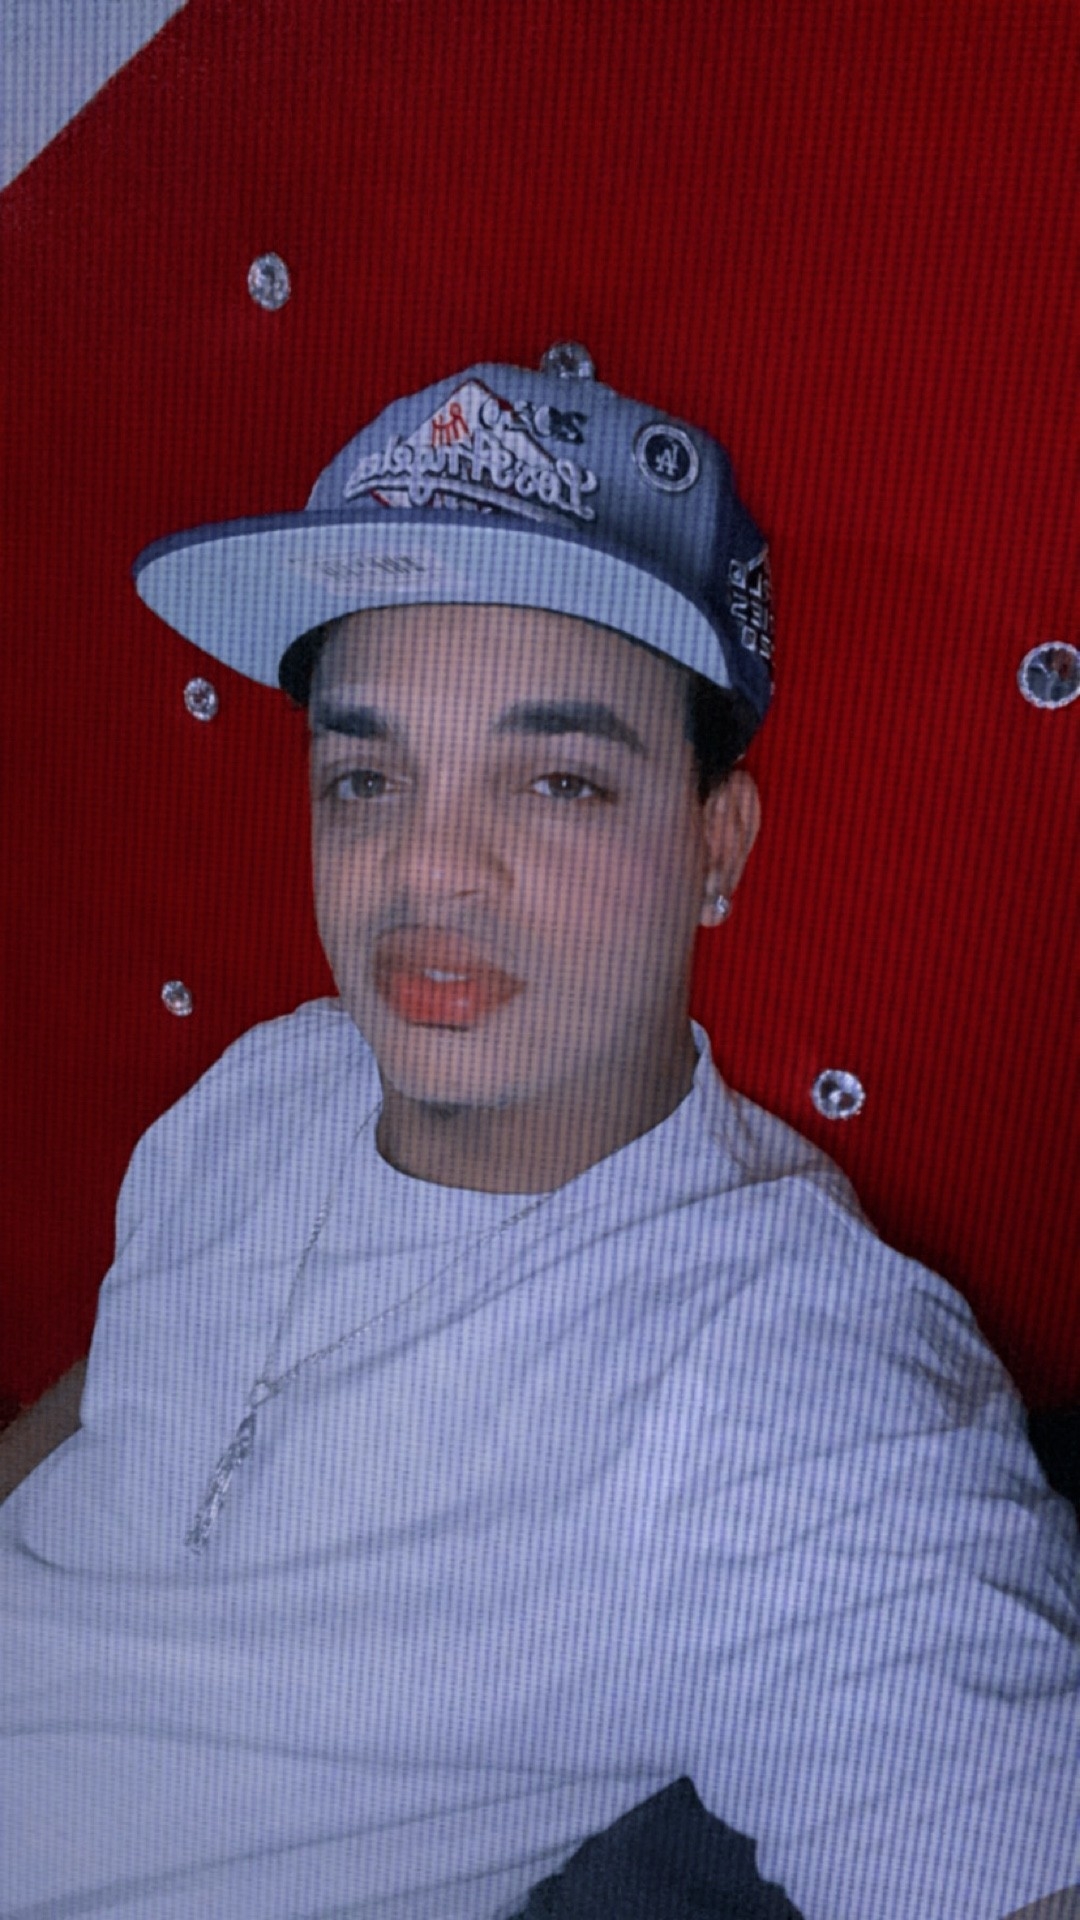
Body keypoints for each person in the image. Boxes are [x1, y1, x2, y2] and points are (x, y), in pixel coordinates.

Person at [0, 352, 1076, 1920]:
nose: (429, 871)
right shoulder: (281, 1077)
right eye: (367, 776)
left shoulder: (791, 1402)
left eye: (560, 782)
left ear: (717, 844)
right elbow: (113, 1410)